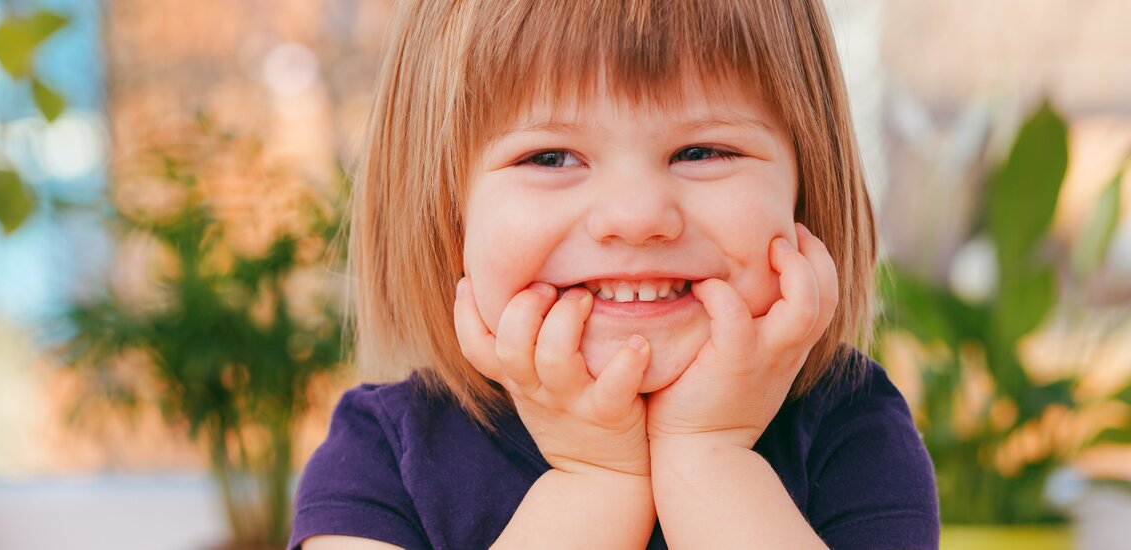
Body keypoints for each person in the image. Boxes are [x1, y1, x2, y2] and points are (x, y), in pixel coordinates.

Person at [292, 0, 938, 547]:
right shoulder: (378, 457)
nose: (634, 218)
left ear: (804, 189)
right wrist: (592, 483)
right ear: (445, 209)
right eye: (550, 156)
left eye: (702, 151)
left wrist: (708, 457)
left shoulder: (853, 430)